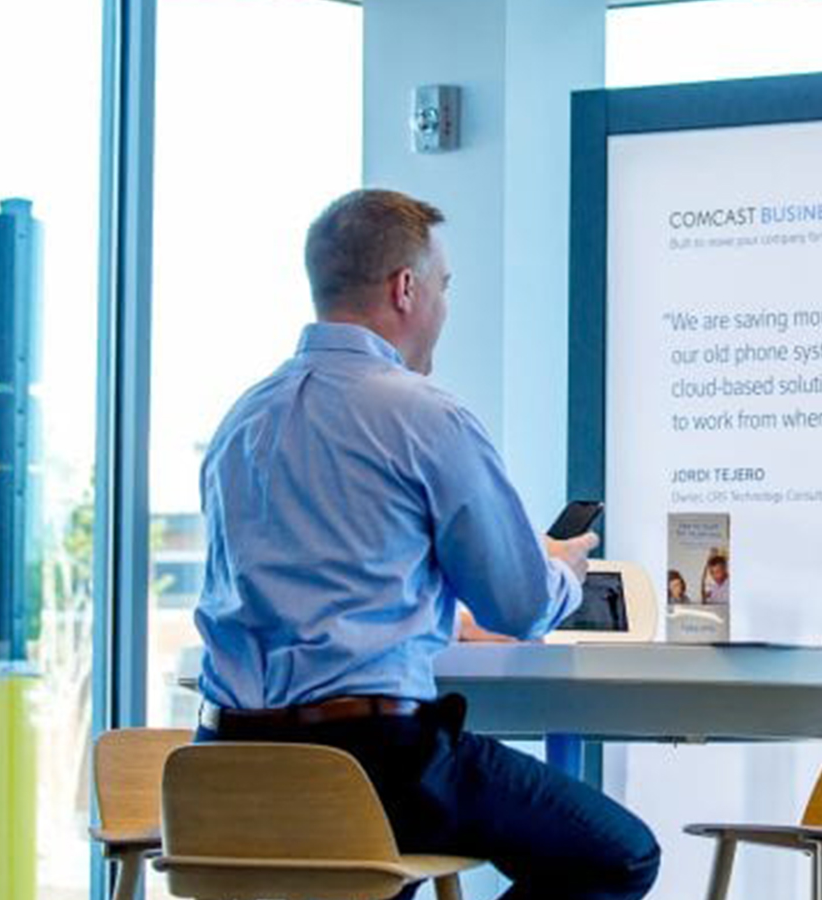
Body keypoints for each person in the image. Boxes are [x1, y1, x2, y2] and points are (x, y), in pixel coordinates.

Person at [192, 188, 660, 900]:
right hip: (371, 766)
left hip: (225, 771)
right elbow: (520, 607)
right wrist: (558, 566)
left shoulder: (240, 421)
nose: (444, 306)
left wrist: (438, 612)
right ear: (405, 288)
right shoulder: (423, 418)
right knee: (619, 855)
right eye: (443, 286)